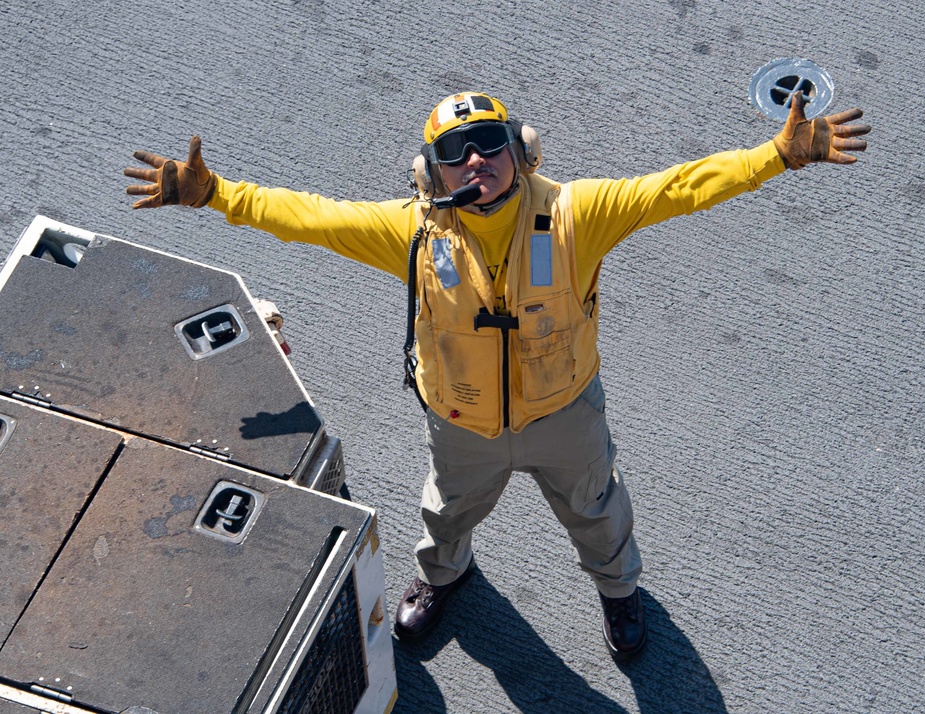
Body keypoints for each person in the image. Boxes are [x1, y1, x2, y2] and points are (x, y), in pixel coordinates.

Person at [125, 90, 870, 660]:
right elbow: (308, 216)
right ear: (430, 172)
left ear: (522, 151)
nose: (475, 161)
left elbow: (679, 187)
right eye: (456, 152)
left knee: (597, 507)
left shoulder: (580, 214)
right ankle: (445, 577)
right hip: (461, 421)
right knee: (446, 511)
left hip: (564, 414)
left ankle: (619, 593)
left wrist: (775, 155)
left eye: (489, 144)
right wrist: (216, 194)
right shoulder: (412, 232)